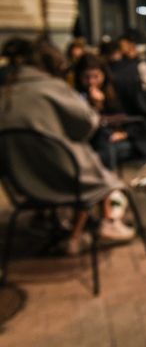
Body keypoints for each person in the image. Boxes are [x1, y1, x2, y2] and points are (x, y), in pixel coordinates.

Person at [0, 38, 135, 253]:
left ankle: (56, 223)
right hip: (62, 177)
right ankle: (102, 225)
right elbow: (87, 124)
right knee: (89, 157)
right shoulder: (51, 87)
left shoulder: (5, 90)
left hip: (20, 181)